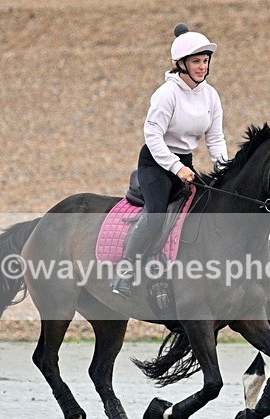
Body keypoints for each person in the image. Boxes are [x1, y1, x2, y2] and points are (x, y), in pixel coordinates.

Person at [111, 23, 228, 297]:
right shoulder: (167, 94)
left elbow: (215, 138)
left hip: (184, 162)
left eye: (205, 60)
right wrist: (176, 168)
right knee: (157, 213)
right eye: (196, 61)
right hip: (156, 163)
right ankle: (125, 270)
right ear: (181, 64)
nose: (202, 66)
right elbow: (152, 135)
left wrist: (224, 169)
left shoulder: (211, 96)